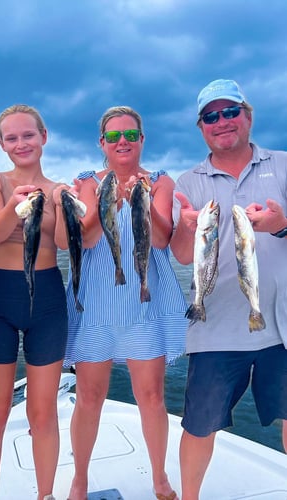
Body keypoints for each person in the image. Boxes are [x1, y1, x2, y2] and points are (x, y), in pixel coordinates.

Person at [62, 106, 187, 500]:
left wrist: (141, 202)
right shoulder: (87, 181)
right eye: (113, 136)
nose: (122, 143)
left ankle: (159, 477)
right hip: (95, 303)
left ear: (142, 140)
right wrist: (107, 202)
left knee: (151, 396)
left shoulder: (161, 181)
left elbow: (164, 238)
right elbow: (82, 240)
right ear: (102, 142)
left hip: (143, 303)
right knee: (89, 397)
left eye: (130, 135)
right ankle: (79, 479)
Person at [171, 79, 287, 500]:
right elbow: (184, 256)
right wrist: (186, 228)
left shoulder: (285, 164)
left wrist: (281, 224)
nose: (222, 122)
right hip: (215, 328)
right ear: (201, 127)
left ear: (248, 116)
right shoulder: (189, 181)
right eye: (211, 116)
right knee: (199, 424)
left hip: (283, 325)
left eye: (230, 111)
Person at [0, 104, 68, 500]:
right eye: (11, 137)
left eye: (28, 134)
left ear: (43, 137)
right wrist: (17, 201)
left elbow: (64, 242)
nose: (21, 143)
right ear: (1, 144)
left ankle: (45, 495)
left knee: (42, 413)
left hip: (47, 298)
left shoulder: (59, 188)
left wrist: (61, 202)